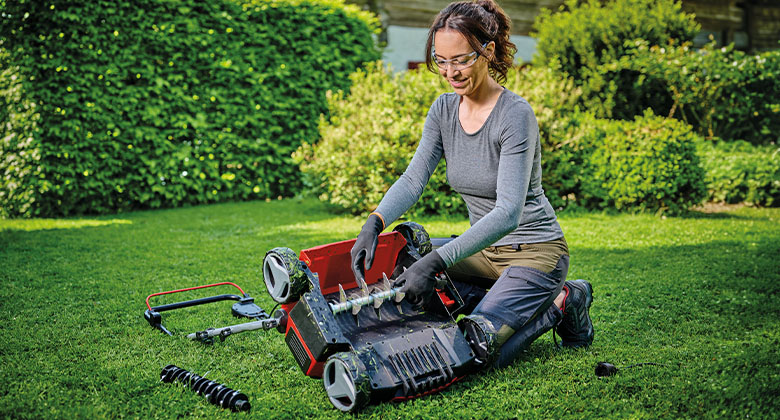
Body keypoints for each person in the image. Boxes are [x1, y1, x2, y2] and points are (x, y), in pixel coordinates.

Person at [350, 0, 593, 369]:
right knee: (405, 266)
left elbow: (508, 213)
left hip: (534, 253)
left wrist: (437, 261)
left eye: (461, 60)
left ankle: (564, 300)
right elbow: (414, 178)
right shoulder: (443, 110)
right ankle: (488, 299)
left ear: (488, 52)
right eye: (442, 60)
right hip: (483, 255)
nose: (450, 71)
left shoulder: (515, 115)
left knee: (476, 352)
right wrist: (375, 221)